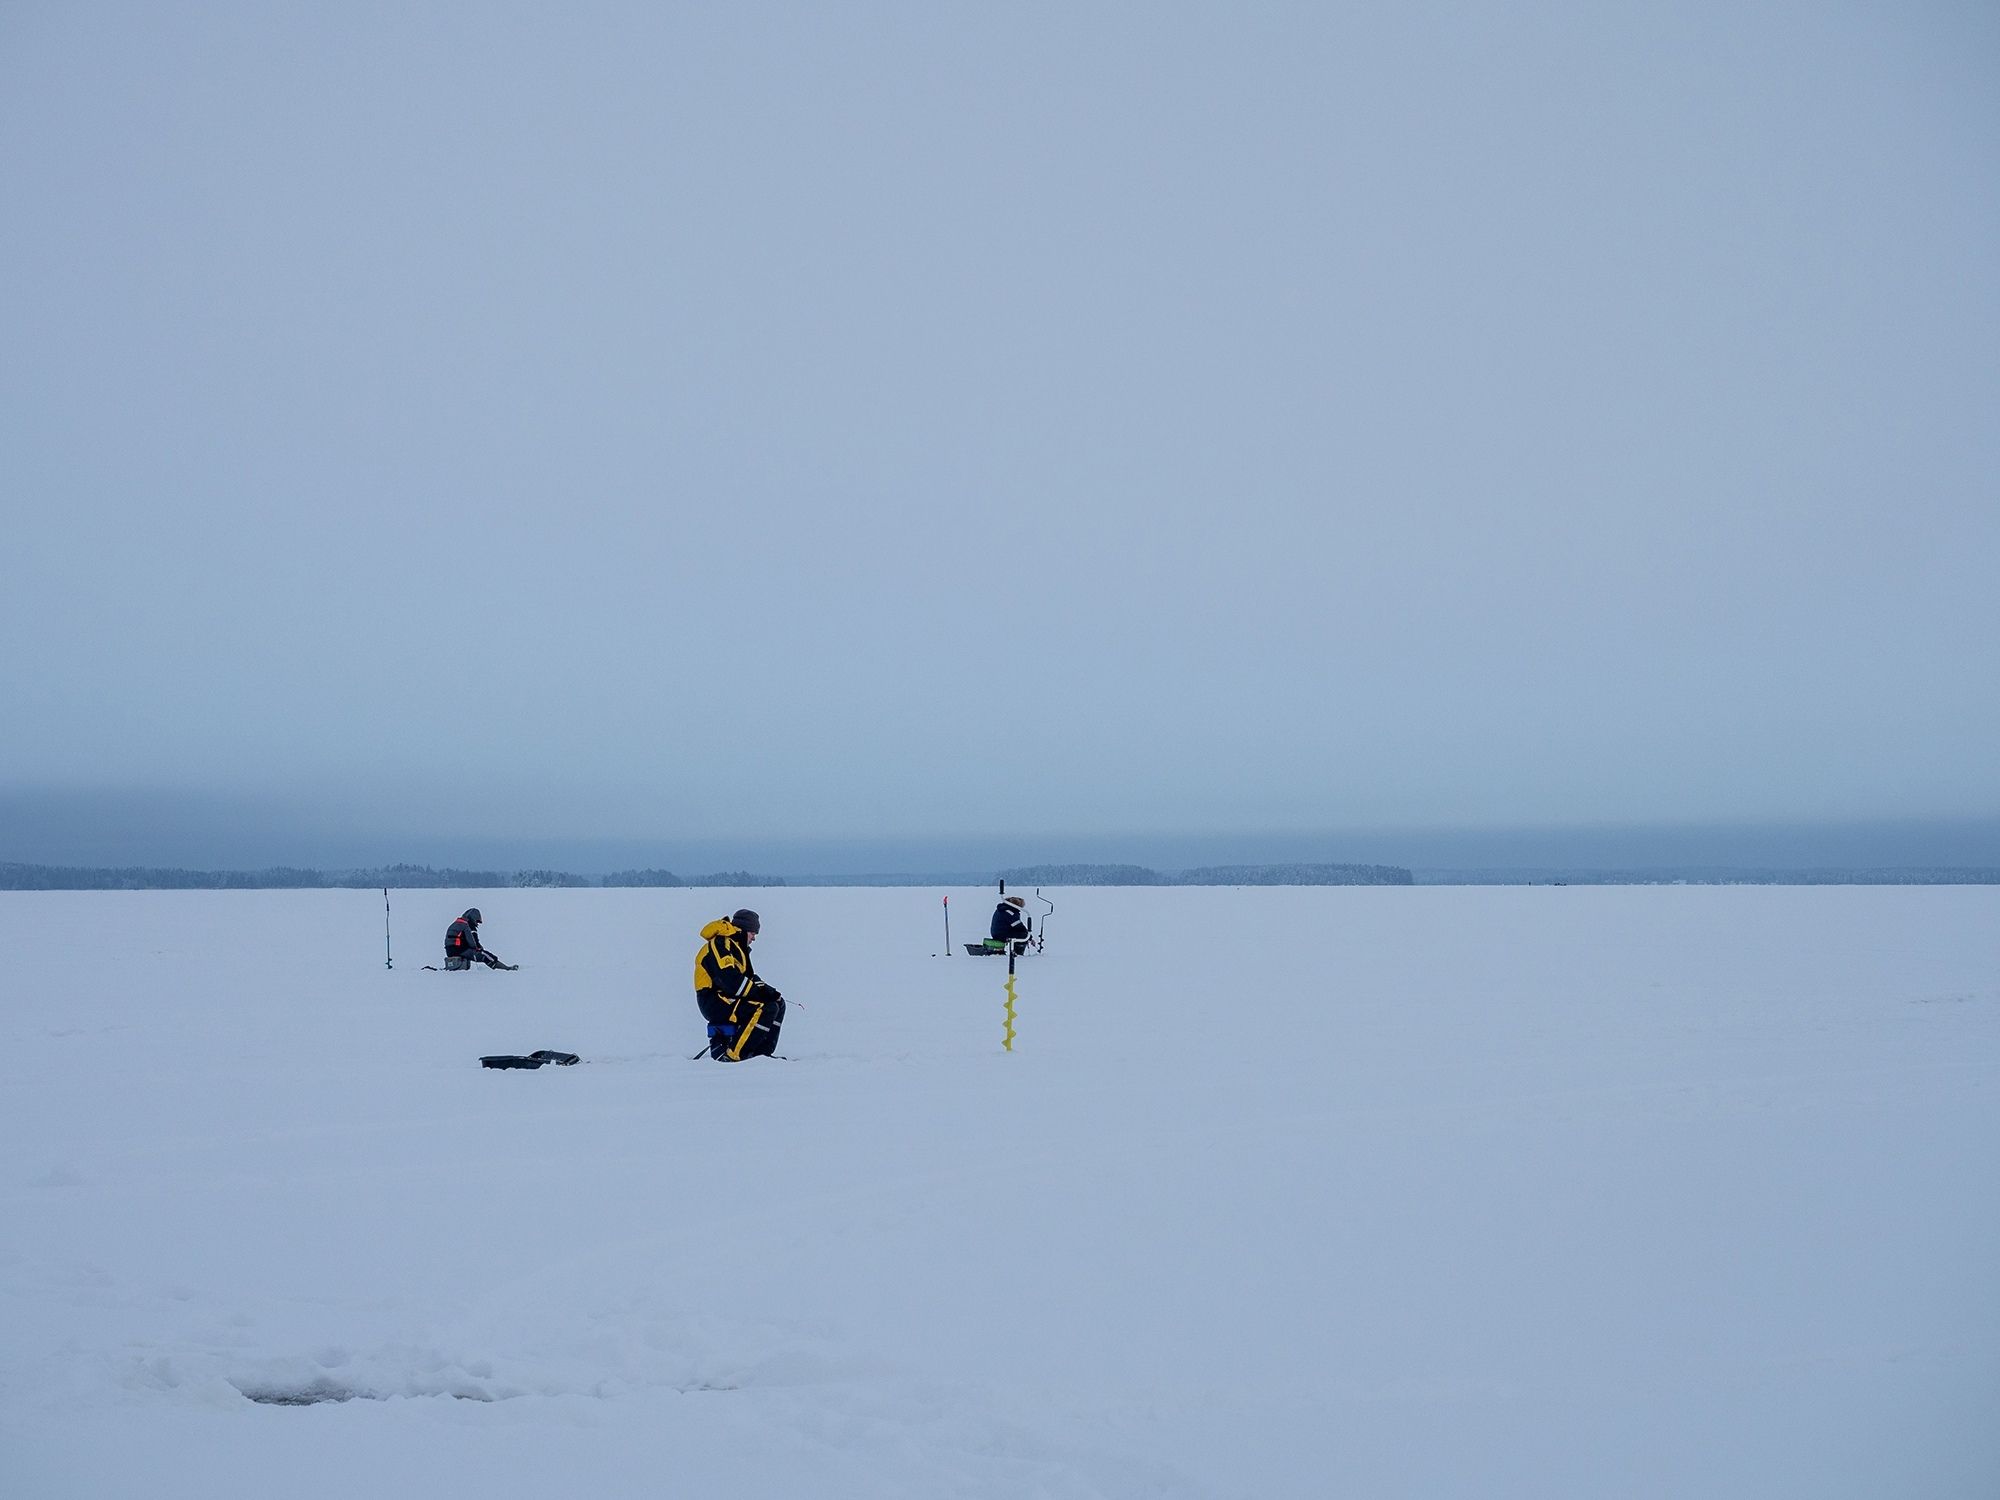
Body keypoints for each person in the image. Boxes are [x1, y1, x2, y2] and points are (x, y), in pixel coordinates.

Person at [693, 908, 785, 1060]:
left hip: (729, 996)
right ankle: (735, 1055)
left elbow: (749, 977)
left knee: (777, 1004)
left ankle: (761, 1055)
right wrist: (759, 993)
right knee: (765, 1008)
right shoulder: (721, 944)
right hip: (713, 1000)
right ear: (743, 930)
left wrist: (769, 991)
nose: (754, 938)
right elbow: (730, 980)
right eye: (753, 933)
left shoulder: (737, 947)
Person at [443, 907, 515, 970]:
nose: (477, 924)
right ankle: (505, 969)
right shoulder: (467, 926)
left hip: (450, 951)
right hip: (460, 950)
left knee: (477, 953)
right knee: (486, 955)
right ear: (473, 917)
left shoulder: (456, 924)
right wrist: (480, 949)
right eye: (477, 921)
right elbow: (473, 942)